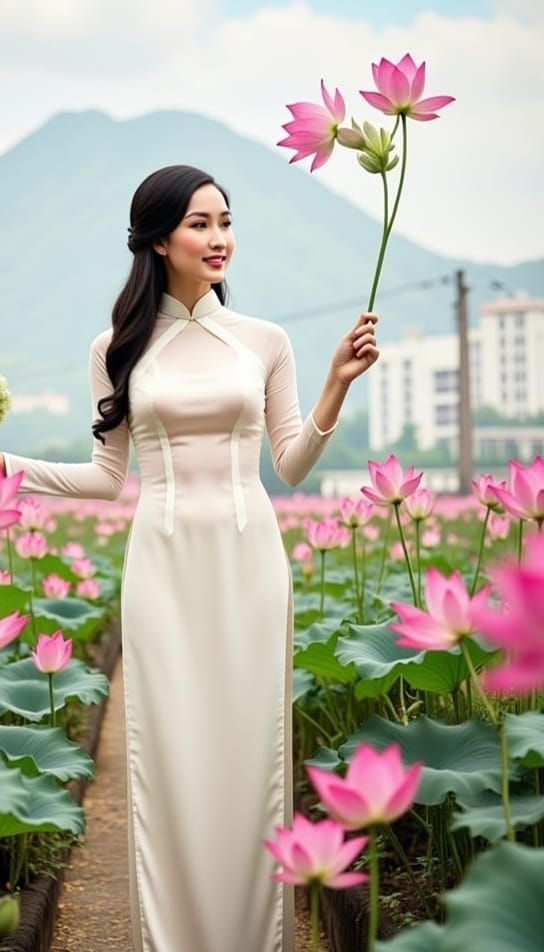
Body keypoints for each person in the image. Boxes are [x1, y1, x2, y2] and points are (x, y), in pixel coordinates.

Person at [0, 164, 379, 951]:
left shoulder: (264, 342)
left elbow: (293, 462)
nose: (220, 239)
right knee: (168, 764)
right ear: (160, 237)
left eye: (226, 222)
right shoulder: (118, 347)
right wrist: (12, 469)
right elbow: (107, 479)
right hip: (162, 571)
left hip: (250, 564)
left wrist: (336, 385)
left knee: (253, 765)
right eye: (201, 224)